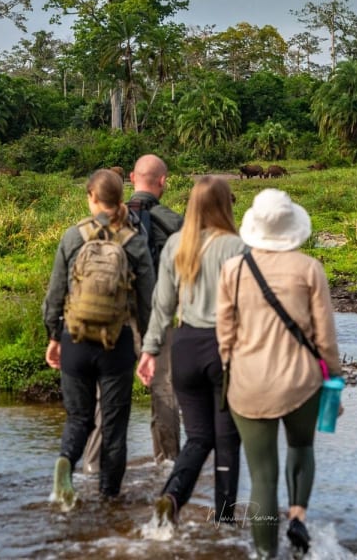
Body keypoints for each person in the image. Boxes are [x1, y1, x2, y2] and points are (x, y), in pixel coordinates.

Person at [216, 188, 343, 558]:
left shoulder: (233, 270)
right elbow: (325, 337)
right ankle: (299, 516)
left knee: (261, 477)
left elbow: (224, 336)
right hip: (301, 383)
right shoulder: (309, 269)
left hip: (248, 386)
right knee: (301, 447)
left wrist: (232, 371)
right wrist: (333, 378)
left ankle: (264, 554)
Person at [136, 175, 245, 526]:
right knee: (227, 441)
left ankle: (171, 496)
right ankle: (225, 525)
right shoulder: (237, 247)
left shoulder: (175, 246)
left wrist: (150, 351)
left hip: (184, 347)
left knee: (198, 438)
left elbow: (162, 305)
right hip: (224, 349)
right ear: (225, 205)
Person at [43, 168, 155, 506]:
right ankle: (109, 501)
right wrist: (148, 345)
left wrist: (53, 335)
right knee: (114, 426)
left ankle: (65, 460)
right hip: (115, 343)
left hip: (75, 340)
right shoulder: (134, 241)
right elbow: (147, 299)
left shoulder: (73, 236)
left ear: (92, 197)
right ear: (121, 198)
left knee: (79, 418)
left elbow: (56, 293)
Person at [83, 154, 183, 473]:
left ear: (131, 177)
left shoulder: (106, 222)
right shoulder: (175, 222)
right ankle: (168, 464)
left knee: (107, 395)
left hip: (111, 318)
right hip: (156, 316)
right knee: (164, 392)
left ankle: (94, 467)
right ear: (163, 181)